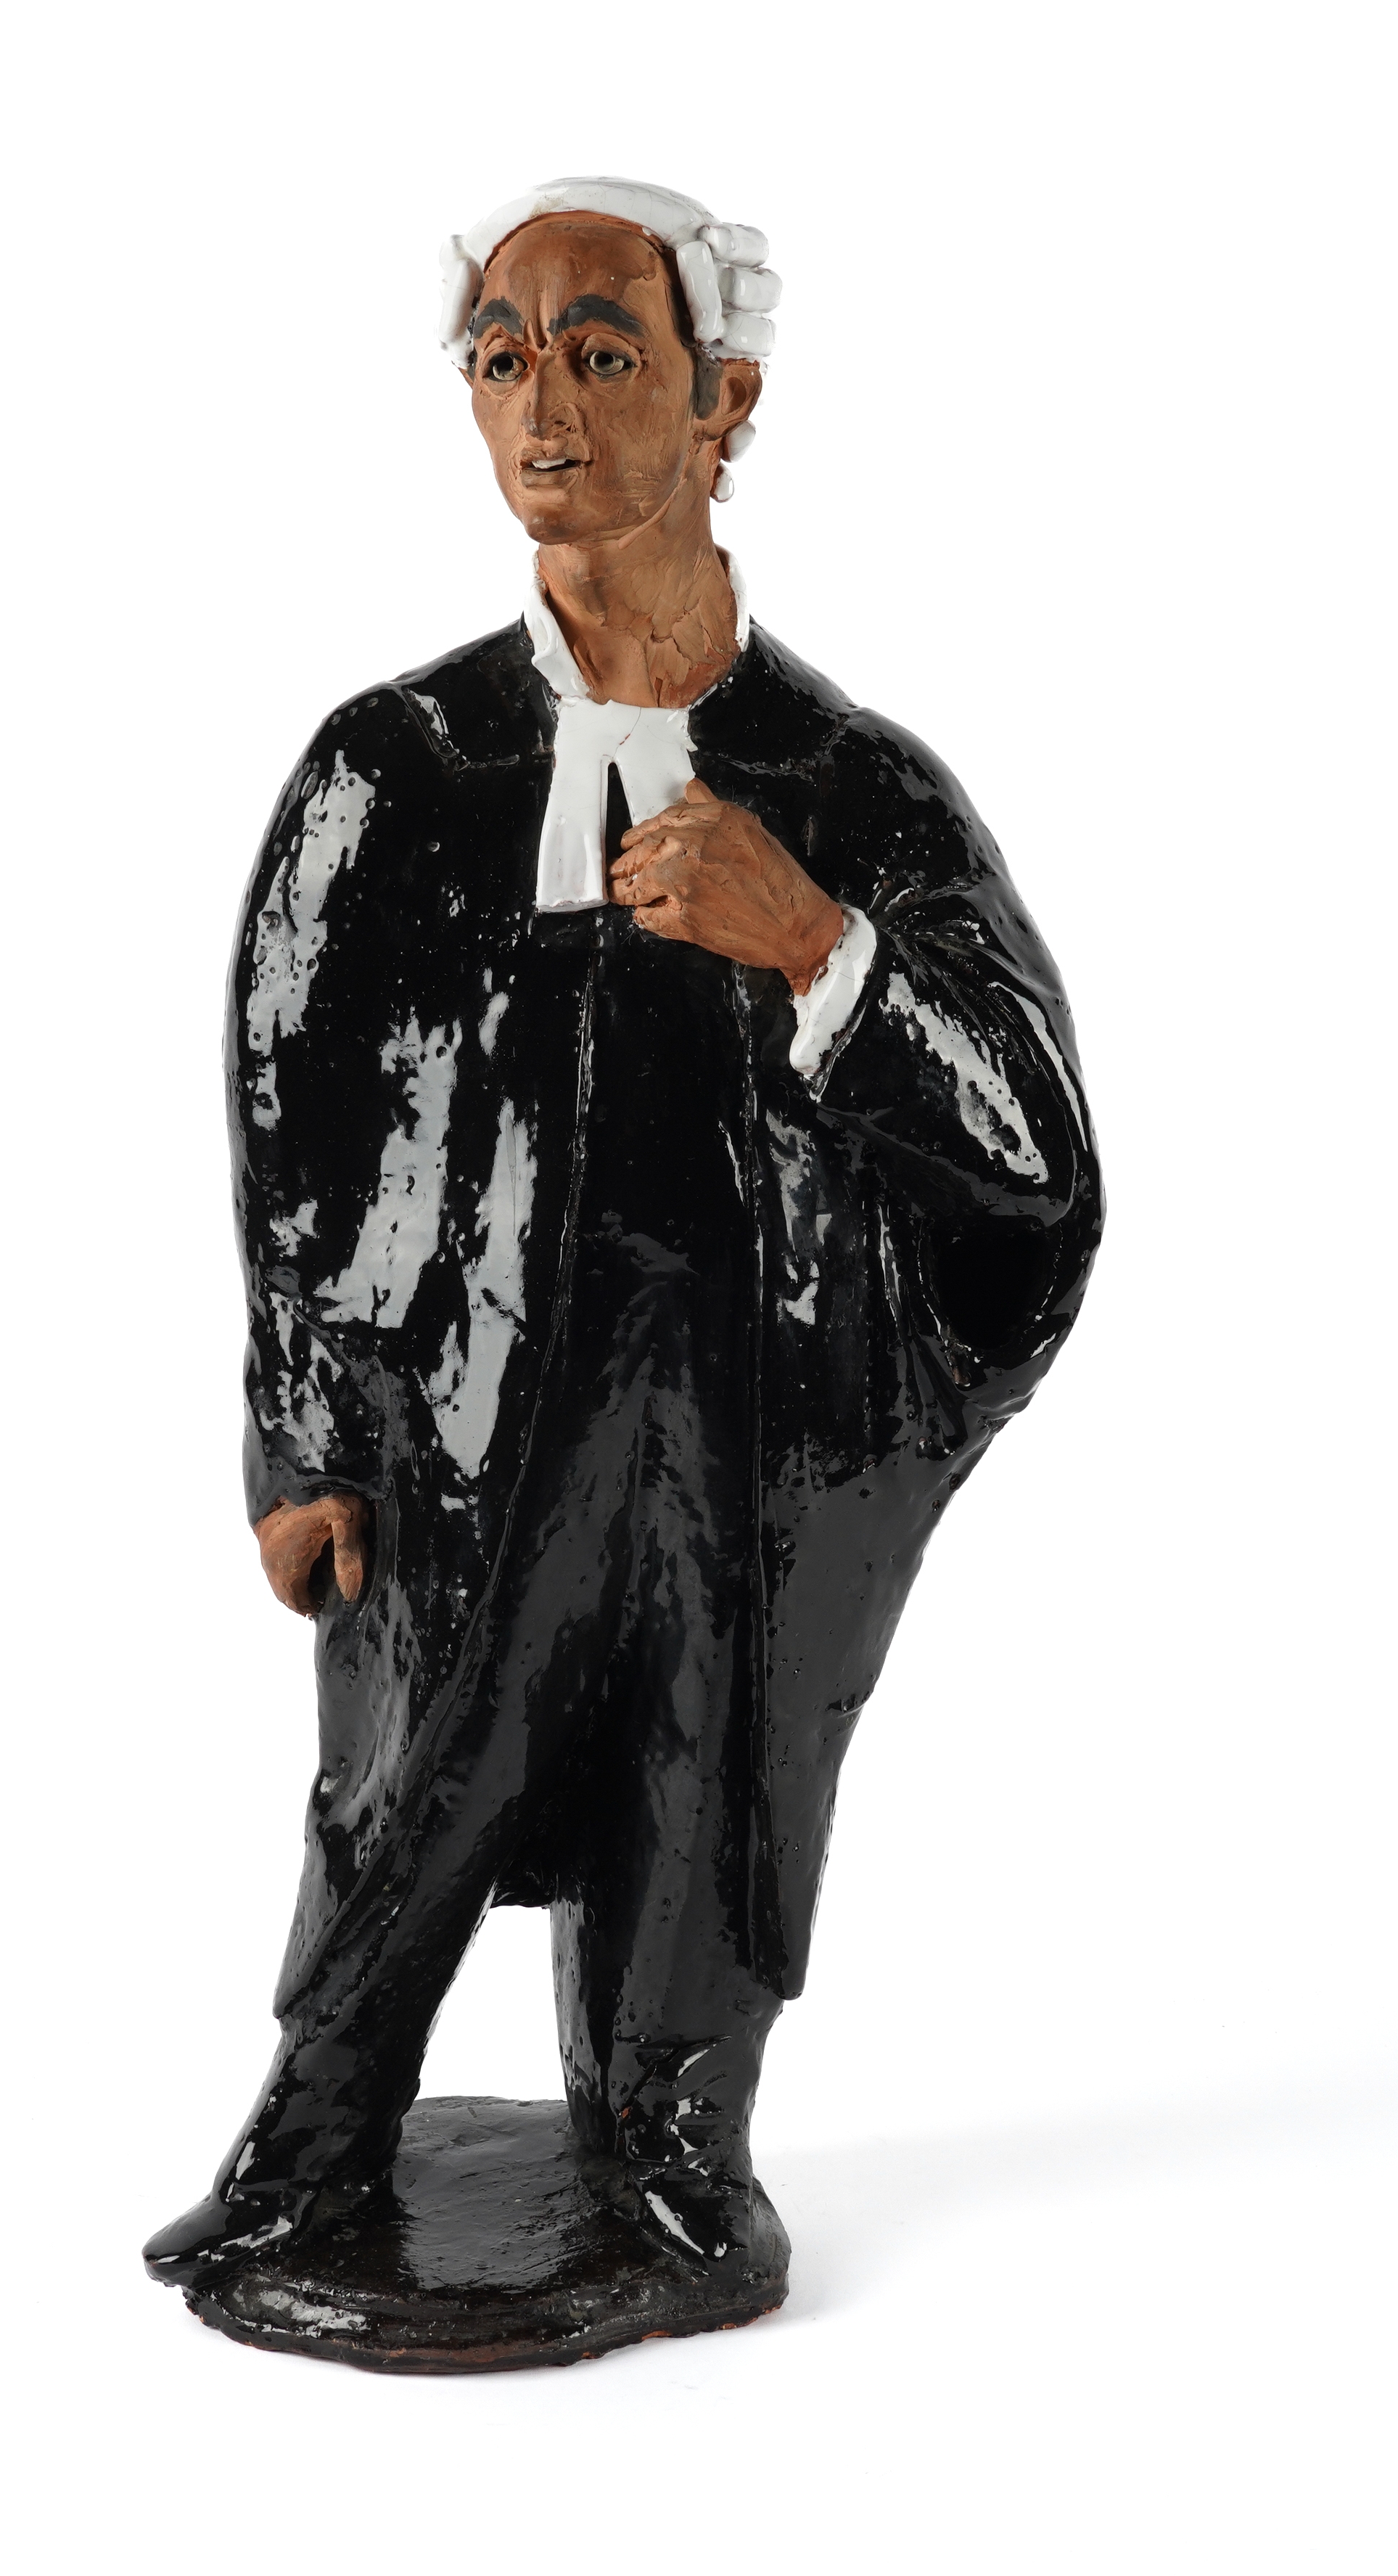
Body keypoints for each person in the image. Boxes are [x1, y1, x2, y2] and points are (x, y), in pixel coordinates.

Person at [145, 178, 1101, 2291]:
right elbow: (289, 1118)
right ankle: (315, 2144)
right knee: (420, 1772)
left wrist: (820, 945)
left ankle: (672, 2152)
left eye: (600, 353)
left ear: (721, 399)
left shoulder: (853, 788)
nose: (543, 408)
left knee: (709, 1778)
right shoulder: (396, 768)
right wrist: (299, 1435)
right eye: (501, 358)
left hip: (740, 1423)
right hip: (467, 1422)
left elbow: (1031, 1141)